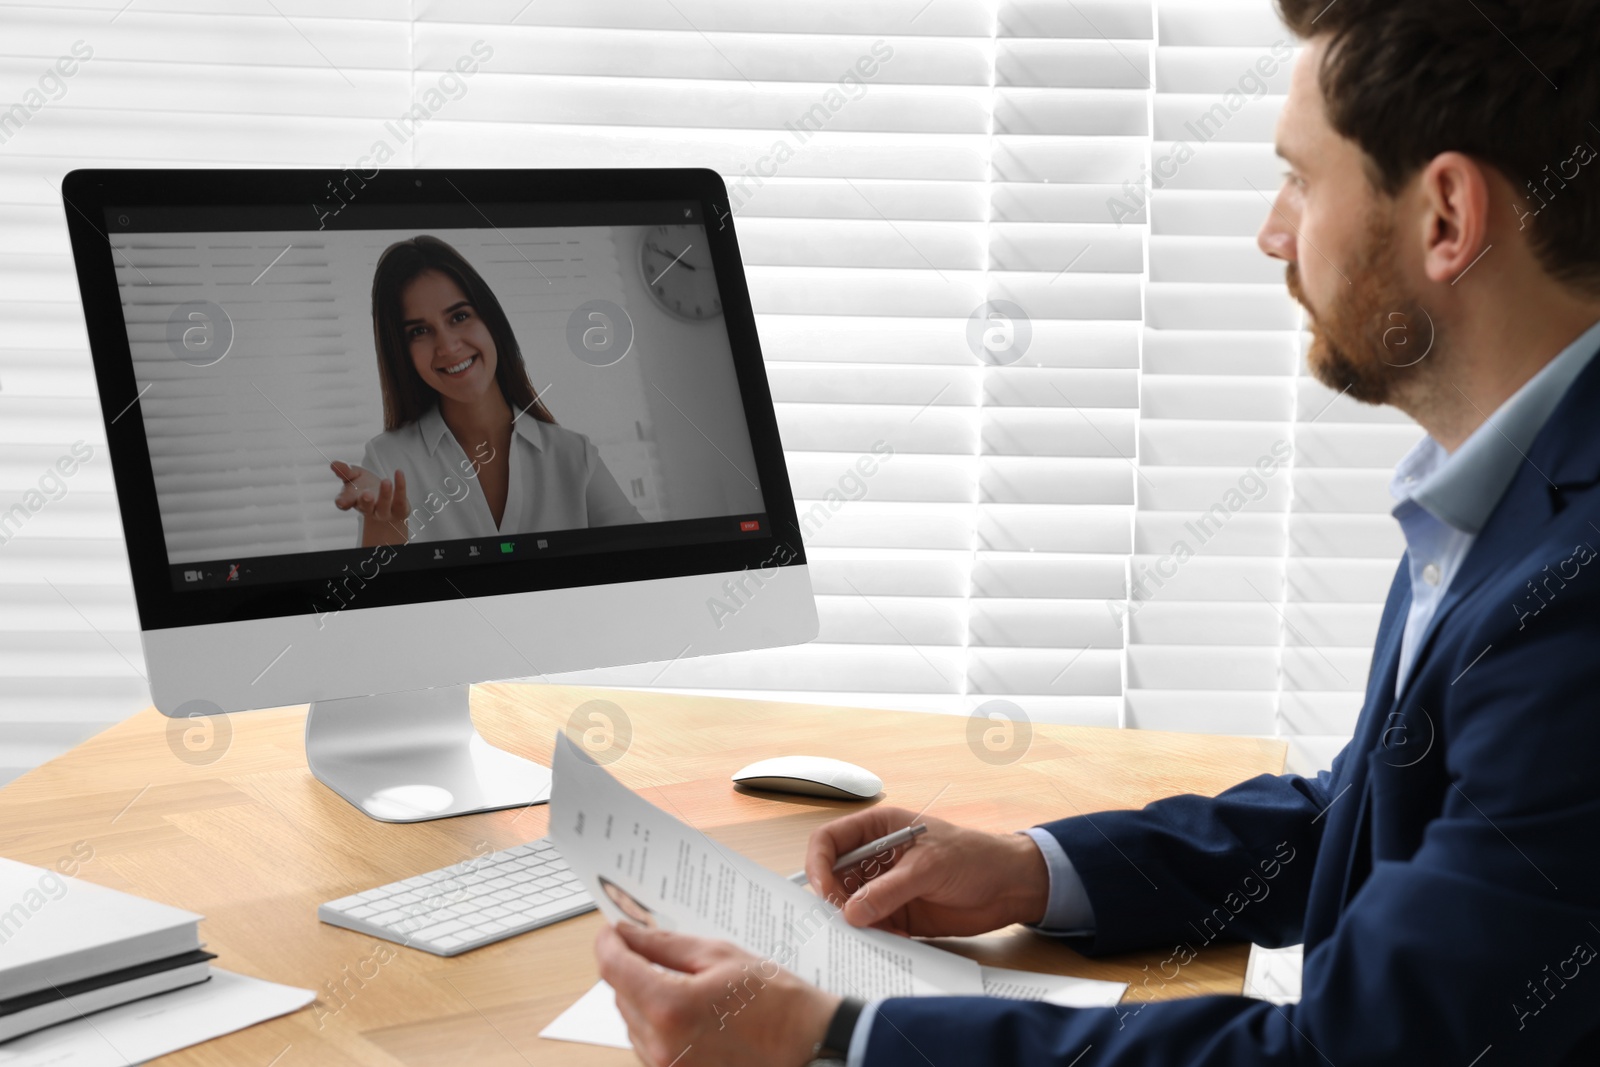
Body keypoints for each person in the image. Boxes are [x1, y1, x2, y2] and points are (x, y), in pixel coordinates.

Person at [594, 1, 1600, 1063]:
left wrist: (836, 1036)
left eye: (1301, 181)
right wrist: (1031, 867)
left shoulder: (1572, 597)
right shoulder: (1506, 490)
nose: (1270, 232)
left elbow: (1347, 1053)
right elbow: (1371, 821)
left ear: (1444, 216)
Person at [330, 234, 641, 546]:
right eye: (419, 331)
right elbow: (383, 589)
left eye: (459, 316)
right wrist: (385, 524)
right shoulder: (386, 461)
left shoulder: (574, 456)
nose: (448, 346)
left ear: (491, 321)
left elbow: (642, 568)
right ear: (401, 352)